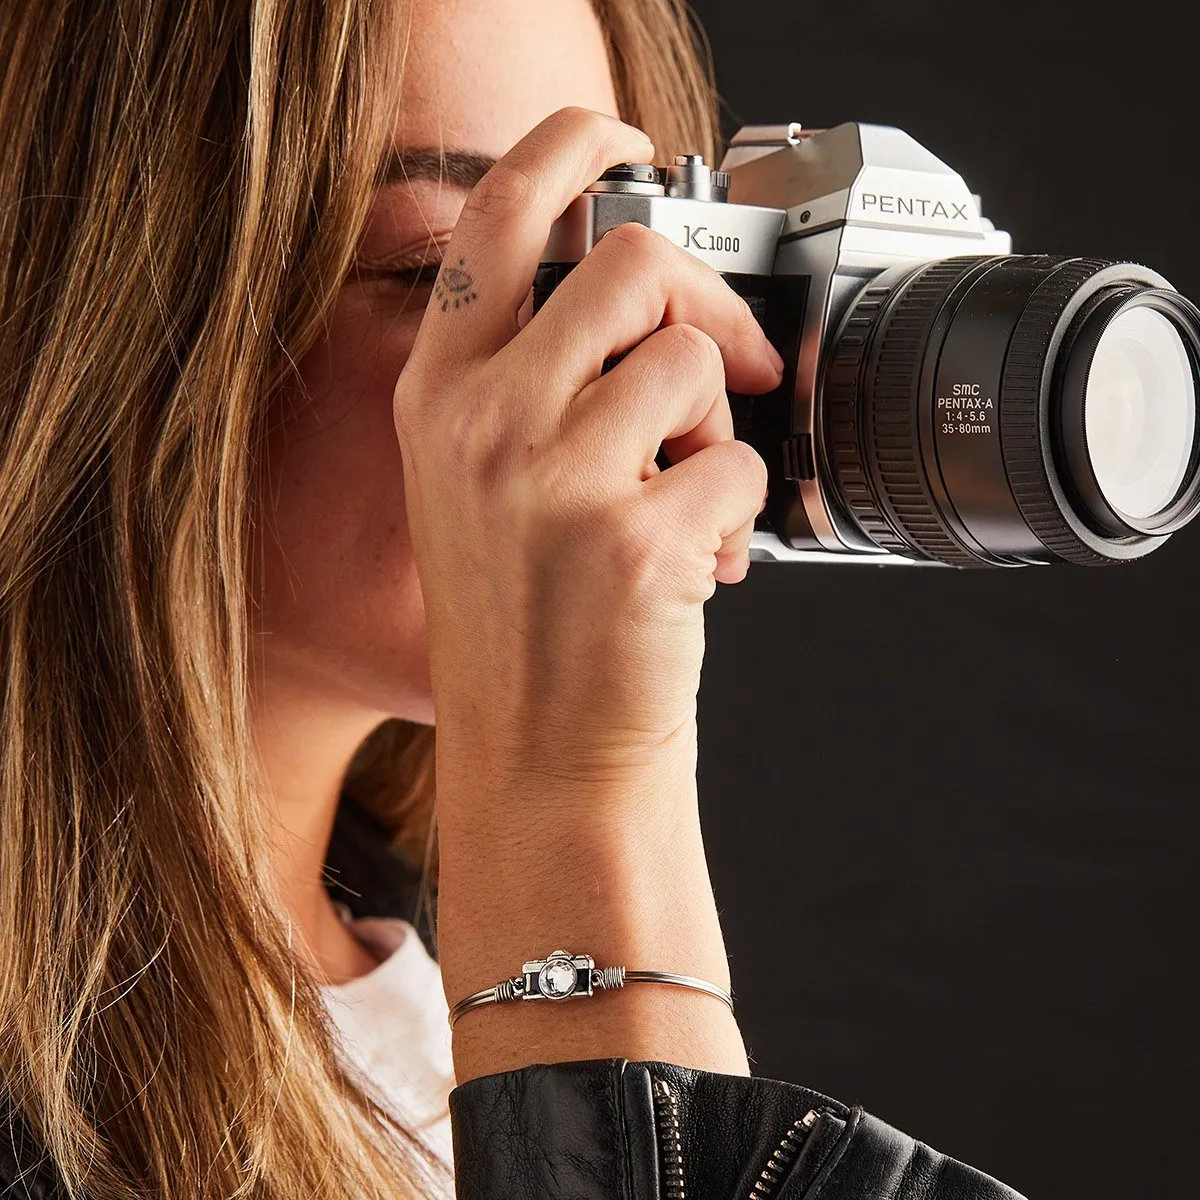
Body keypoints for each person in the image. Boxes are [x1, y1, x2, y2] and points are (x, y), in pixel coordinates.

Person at [0, 0, 1029, 1196]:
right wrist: (577, 811)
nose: (621, 357)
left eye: (620, 244)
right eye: (451, 268)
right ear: (90, 321)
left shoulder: (411, 1006)